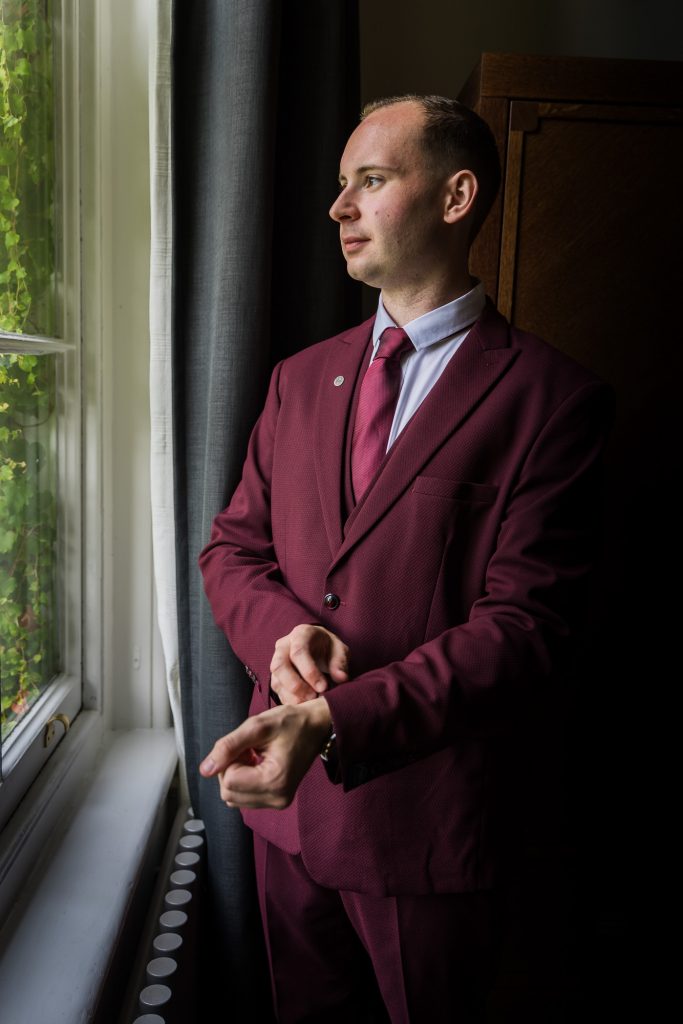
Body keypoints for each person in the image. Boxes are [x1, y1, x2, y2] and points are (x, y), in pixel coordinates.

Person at [198, 95, 612, 1023]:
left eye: (370, 182)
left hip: (428, 836)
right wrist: (283, 634)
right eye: (341, 187)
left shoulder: (554, 400)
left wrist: (337, 719)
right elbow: (233, 547)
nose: (338, 209)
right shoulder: (298, 378)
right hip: (287, 826)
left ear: (457, 195)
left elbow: (526, 630)